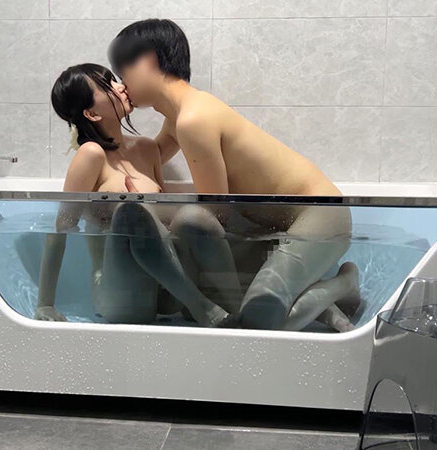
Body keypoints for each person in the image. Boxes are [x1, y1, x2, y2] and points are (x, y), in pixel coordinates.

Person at [109, 19, 361, 331]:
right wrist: (102, 127)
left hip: (319, 213)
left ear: (148, 60)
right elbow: (146, 160)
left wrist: (154, 205)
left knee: (258, 322)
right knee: (250, 311)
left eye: (123, 71)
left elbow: (216, 212)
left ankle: (344, 284)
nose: (122, 84)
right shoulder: (180, 118)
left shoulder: (193, 119)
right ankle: (320, 301)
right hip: (275, 223)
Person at [36, 63, 236, 327]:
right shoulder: (91, 155)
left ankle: (236, 306)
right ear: (92, 113)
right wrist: (45, 303)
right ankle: (201, 306)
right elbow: (60, 231)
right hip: (122, 294)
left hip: (168, 289)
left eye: (114, 79)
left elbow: (165, 223)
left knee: (194, 216)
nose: (120, 87)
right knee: (131, 211)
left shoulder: (147, 149)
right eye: (108, 86)